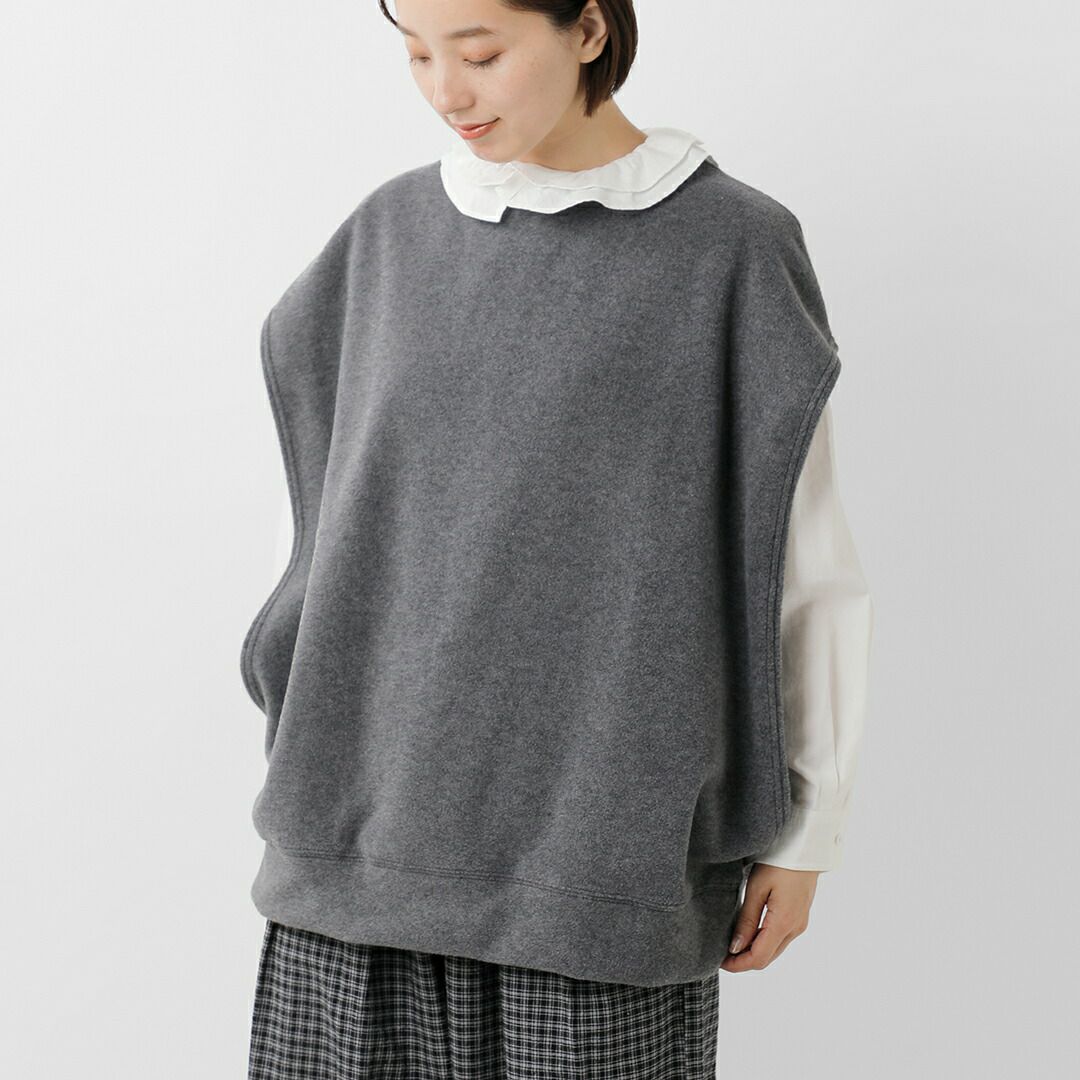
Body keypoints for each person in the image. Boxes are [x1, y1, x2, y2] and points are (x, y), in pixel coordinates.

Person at [241, 2, 874, 1077]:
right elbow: (327, 529)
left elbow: (803, 567)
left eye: (480, 52)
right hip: (352, 859)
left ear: (588, 28)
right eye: (417, 54)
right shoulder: (384, 239)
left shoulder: (730, 248)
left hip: (602, 872)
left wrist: (807, 831)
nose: (447, 91)